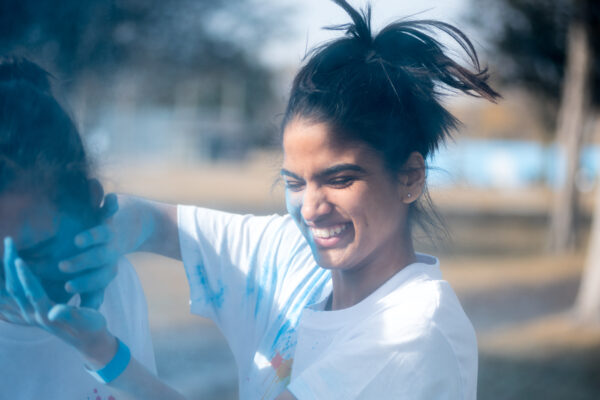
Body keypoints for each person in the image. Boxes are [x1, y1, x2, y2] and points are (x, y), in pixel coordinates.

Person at [3, 1, 500, 399]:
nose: (311, 208)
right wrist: (113, 227)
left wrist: (104, 353)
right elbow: (165, 225)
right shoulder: (295, 260)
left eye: (340, 179)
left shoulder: (410, 334)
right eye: (294, 182)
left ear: (410, 176)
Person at [0, 56, 156, 399]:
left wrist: (103, 352)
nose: (12, 286)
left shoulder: (114, 285)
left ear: (90, 203)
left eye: (32, 255)